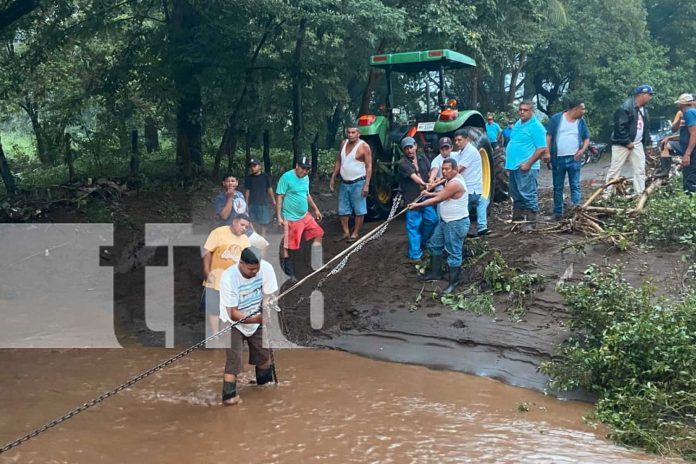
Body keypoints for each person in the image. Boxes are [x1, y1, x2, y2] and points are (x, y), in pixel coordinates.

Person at [219, 248, 279, 405]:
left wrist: (267, 309)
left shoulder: (266, 269)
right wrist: (259, 318)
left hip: (256, 317)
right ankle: (229, 397)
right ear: (241, 263)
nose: (255, 272)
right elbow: (233, 314)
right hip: (232, 323)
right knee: (234, 360)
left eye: (257, 268)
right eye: (251, 269)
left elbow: (268, 295)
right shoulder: (228, 278)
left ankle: (264, 386)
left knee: (264, 355)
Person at [408, 158, 469, 294]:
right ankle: (436, 273)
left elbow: (439, 198)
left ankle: (454, 283)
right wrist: (429, 193)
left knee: (454, 252)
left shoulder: (455, 183)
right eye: (443, 169)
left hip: (456, 223)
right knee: (434, 244)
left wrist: (418, 205)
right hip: (446, 222)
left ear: (455, 170)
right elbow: (443, 194)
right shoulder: (449, 181)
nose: (444, 171)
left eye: (447, 169)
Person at [201, 214, 252, 338]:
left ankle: (226, 334)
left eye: (246, 226)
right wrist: (207, 271)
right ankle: (214, 334)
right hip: (216, 278)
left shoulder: (245, 239)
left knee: (230, 308)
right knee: (214, 308)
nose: (244, 228)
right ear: (234, 222)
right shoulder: (218, 233)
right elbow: (207, 253)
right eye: (242, 225)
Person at [276, 156, 324, 281]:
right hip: (291, 217)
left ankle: (316, 262)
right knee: (288, 246)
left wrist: (316, 209)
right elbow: (279, 197)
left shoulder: (306, 178)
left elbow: (307, 194)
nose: (305, 171)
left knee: (319, 233)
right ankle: (289, 272)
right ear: (297, 166)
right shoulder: (286, 177)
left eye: (307, 169)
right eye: (303, 168)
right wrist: (279, 216)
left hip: (305, 215)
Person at [605, 84, 653, 195]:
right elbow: (619, 127)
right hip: (621, 144)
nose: (650, 97)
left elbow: (646, 128)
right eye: (649, 95)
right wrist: (627, 142)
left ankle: (639, 194)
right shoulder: (625, 107)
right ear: (641, 94)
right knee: (615, 170)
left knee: (640, 169)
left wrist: (647, 142)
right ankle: (606, 195)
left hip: (637, 143)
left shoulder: (644, 110)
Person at [546, 98, 590, 219]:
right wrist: (547, 152)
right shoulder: (556, 119)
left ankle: (576, 211)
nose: (584, 111)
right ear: (575, 109)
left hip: (574, 158)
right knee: (558, 186)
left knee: (575, 185)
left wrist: (582, 151)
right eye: (582, 108)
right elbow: (549, 136)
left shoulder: (581, 122)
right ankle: (558, 213)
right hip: (558, 158)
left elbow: (587, 138)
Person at [506, 101, 548, 223]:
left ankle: (531, 222)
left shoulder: (536, 127)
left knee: (528, 194)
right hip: (514, 167)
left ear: (532, 111)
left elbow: (541, 148)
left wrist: (528, 164)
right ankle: (517, 220)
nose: (522, 112)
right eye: (520, 109)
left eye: (525, 110)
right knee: (516, 195)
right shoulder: (518, 124)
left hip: (527, 167)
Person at [329, 126, 372, 243]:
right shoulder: (343, 143)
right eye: (349, 132)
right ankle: (346, 232)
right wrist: (333, 177)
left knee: (359, 210)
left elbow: (369, 166)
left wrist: (366, 184)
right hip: (344, 182)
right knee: (343, 209)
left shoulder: (364, 147)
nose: (351, 134)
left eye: (353, 132)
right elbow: (339, 161)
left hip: (358, 182)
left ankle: (355, 233)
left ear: (358, 134)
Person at [398, 137, 437, 264]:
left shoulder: (422, 157)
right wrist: (426, 184)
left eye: (411, 147)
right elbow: (415, 178)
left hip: (425, 196)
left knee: (432, 220)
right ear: (403, 150)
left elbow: (431, 170)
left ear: (415, 146)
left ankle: (422, 242)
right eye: (406, 148)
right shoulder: (403, 163)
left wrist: (431, 179)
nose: (409, 150)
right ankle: (415, 255)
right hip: (412, 199)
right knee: (414, 226)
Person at [658, 94, 696, 192]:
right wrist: (670, 138)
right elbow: (684, 135)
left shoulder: (690, 113)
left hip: (692, 154)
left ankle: (690, 203)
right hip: (689, 151)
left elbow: (694, 134)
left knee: (690, 183)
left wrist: (687, 154)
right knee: (688, 179)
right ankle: (664, 170)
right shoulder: (686, 114)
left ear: (681, 104)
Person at [453, 129, 488, 236]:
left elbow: (458, 169)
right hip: (474, 188)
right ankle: (482, 226)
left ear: (467, 139)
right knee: (482, 201)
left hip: (469, 189)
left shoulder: (470, 151)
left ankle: (465, 231)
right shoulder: (461, 152)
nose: (457, 143)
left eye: (459, 140)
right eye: (455, 141)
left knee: (463, 211)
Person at [244, 159, 276, 238]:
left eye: (254, 166)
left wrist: (273, 201)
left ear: (259, 166)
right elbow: (247, 191)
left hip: (263, 202)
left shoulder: (265, 176)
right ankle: (253, 235)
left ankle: (263, 236)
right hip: (252, 203)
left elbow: (269, 189)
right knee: (251, 220)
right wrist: (246, 203)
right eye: (251, 167)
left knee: (263, 222)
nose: (252, 168)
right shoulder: (249, 178)